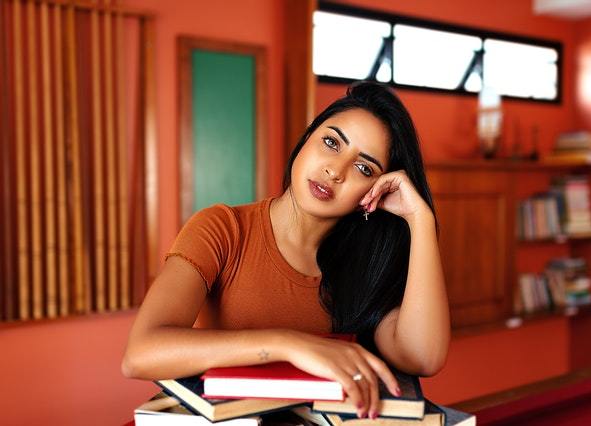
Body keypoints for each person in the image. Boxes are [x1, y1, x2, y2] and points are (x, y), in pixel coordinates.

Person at [122, 81, 450, 420]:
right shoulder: (222, 228)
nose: (334, 171)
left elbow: (423, 358)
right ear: (306, 139)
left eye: (364, 168)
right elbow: (140, 354)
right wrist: (292, 345)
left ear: (376, 191)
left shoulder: (365, 268)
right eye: (331, 142)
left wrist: (420, 219)